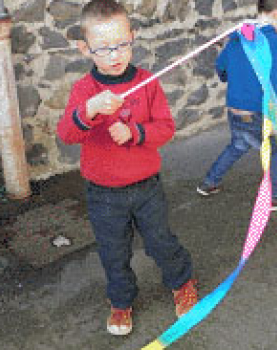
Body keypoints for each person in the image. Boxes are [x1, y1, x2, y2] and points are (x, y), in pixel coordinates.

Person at [56, 0, 197, 336]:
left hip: (146, 187)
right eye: (103, 48)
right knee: (113, 253)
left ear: (133, 37)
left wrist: (135, 132)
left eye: (122, 44)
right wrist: (88, 110)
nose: (115, 55)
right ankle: (120, 302)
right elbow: (67, 134)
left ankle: (182, 282)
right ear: (85, 48)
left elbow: (166, 127)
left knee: (160, 241)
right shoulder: (84, 90)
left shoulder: (148, 82)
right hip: (103, 194)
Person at [196, 0, 277, 211]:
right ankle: (276, 196)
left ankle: (209, 182)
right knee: (273, 150)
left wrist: (230, 72)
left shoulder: (237, 36)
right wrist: (274, 114)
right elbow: (272, 82)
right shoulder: (272, 40)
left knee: (238, 145)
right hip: (258, 111)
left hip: (235, 109)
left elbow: (221, 68)